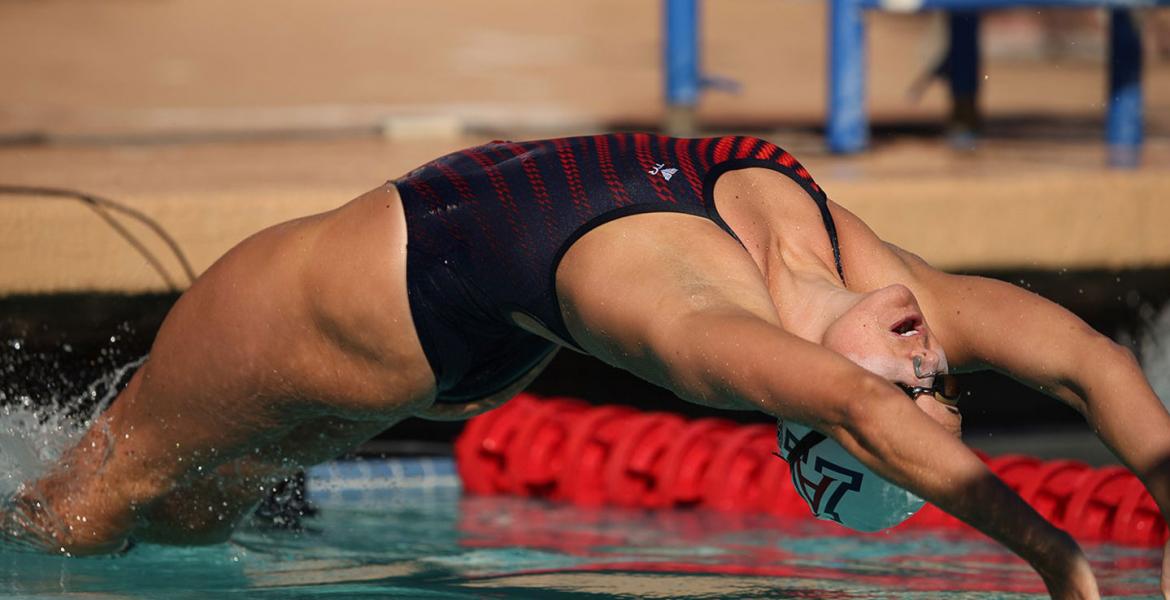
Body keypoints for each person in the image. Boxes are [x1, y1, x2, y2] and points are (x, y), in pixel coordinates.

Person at [5, 133, 1167, 599]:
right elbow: (1091, 363)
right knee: (127, 512)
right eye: (946, 388)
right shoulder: (868, 272)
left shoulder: (709, 339)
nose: (930, 365)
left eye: (923, 397)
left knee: (95, 513)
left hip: (352, 335)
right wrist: (1094, 539)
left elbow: (865, 406)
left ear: (822, 420)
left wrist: (1047, 562)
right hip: (368, 320)